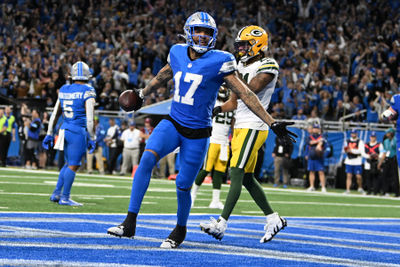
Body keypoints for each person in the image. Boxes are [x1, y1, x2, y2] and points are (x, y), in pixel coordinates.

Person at [107, 14, 295, 249]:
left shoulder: (221, 60)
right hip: (173, 122)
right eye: (199, 30)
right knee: (146, 159)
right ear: (189, 31)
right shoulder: (176, 51)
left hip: (197, 132)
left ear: (213, 36)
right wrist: (143, 94)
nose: (203, 35)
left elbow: (247, 94)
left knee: (184, 185)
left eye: (208, 32)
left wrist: (271, 121)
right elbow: (163, 75)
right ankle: (129, 222)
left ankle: (179, 229)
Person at [199, 25, 291, 243]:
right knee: (247, 178)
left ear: (257, 44)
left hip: (254, 125)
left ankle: (222, 223)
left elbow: (249, 90)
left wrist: (231, 74)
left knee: (236, 172)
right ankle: (273, 218)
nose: (240, 49)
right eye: (238, 45)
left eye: (244, 45)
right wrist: (218, 109)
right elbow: (233, 101)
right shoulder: (240, 64)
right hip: (240, 126)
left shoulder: (268, 64)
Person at [42, 61, 96, 206]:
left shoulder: (64, 89)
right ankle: (65, 197)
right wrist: (92, 137)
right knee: (73, 165)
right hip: (77, 130)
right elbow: (90, 119)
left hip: (64, 129)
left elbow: (54, 114)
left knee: (68, 163)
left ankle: (56, 193)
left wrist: (49, 132)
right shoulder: (88, 90)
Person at [191, 85, 233, 209]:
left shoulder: (232, 105)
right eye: (222, 89)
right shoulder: (213, 102)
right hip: (213, 140)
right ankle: (192, 195)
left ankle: (215, 200)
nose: (223, 91)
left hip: (224, 142)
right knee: (206, 169)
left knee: (219, 172)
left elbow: (232, 124)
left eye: (225, 89)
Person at [305, 124, 327, 192]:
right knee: (311, 172)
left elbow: (323, 144)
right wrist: (318, 141)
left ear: (319, 129)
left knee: (321, 172)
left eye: (317, 128)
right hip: (311, 156)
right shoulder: (310, 137)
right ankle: (311, 186)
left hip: (319, 157)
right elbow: (310, 143)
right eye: (314, 128)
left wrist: (319, 143)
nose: (315, 130)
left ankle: (323, 187)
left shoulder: (322, 136)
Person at [343, 129, 365, 194]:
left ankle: (360, 187)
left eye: (354, 133)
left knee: (358, 176)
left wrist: (352, 150)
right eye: (352, 133)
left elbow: (360, 151)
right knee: (349, 175)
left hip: (357, 160)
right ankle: (348, 189)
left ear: (356, 134)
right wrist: (347, 150)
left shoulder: (360, 141)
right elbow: (345, 150)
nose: (353, 135)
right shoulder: (347, 141)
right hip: (349, 161)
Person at [379, 128, 399, 197]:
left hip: (395, 158)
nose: (386, 134)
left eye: (388, 133)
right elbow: (384, 152)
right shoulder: (386, 141)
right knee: (385, 175)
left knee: (395, 176)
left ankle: (397, 192)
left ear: (391, 133)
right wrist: (380, 162)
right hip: (388, 159)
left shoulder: (396, 140)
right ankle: (385, 191)